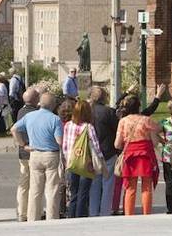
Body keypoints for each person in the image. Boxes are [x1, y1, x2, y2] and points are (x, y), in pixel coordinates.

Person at [11, 92, 64, 222]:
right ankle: (52, 218)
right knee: (51, 190)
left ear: (40, 103)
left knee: (35, 190)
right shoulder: (55, 119)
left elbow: (14, 129)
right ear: (53, 105)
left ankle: (33, 218)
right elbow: (59, 141)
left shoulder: (29, 116)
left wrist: (23, 145)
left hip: (34, 153)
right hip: (51, 154)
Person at [114, 95, 161, 216]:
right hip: (146, 154)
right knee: (147, 186)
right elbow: (158, 130)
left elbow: (117, 144)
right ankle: (146, 214)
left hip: (130, 155)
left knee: (130, 187)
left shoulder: (123, 121)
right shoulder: (146, 120)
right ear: (139, 107)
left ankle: (129, 215)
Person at [62, 99, 104, 218]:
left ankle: (71, 215)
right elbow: (95, 146)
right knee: (83, 193)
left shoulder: (68, 125)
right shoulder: (88, 127)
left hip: (72, 162)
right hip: (86, 163)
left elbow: (65, 145)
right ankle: (80, 216)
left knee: (73, 192)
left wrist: (67, 159)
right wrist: (101, 160)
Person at [88, 86, 119, 216]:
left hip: (92, 151)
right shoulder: (109, 112)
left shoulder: (88, 111)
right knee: (108, 184)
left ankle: (93, 211)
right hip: (108, 151)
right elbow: (116, 130)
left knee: (94, 184)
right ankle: (105, 212)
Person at [15, 88, 40, 222]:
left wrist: (22, 145)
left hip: (23, 152)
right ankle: (32, 211)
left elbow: (15, 129)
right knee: (35, 183)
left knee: (24, 183)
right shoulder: (35, 113)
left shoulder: (20, 111)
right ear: (35, 99)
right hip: (33, 149)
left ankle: (22, 212)